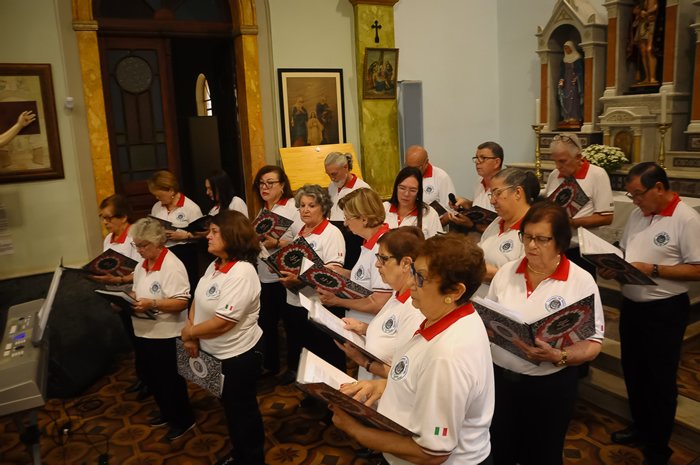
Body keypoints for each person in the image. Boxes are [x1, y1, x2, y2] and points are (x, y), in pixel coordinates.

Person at [333, 233, 494, 465]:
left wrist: (355, 430)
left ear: (454, 291)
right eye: (413, 273)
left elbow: (432, 452)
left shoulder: (446, 356)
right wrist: (384, 385)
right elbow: (419, 377)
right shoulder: (444, 317)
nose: (410, 283)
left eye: (421, 278)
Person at [486, 201, 605, 465]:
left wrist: (559, 356)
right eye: (526, 236)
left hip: (549, 387)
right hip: (501, 382)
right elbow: (490, 320)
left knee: (542, 454)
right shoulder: (506, 272)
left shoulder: (580, 280)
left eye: (541, 239)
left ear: (560, 242)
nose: (531, 245)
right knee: (500, 449)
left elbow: (593, 342)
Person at [601, 163, 700, 465]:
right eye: (631, 196)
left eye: (638, 194)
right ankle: (641, 427)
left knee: (659, 380)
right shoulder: (638, 214)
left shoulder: (686, 219)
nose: (634, 201)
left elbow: (697, 269)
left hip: (664, 310)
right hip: (633, 306)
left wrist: (653, 269)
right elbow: (626, 251)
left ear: (658, 187)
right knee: (634, 371)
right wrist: (613, 265)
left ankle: (658, 446)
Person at [180, 211, 266, 465]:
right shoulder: (215, 264)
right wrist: (191, 334)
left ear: (232, 236)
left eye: (215, 232)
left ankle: (252, 460)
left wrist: (189, 332)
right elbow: (198, 299)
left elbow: (223, 323)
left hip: (237, 357)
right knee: (230, 409)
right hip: (214, 352)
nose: (208, 236)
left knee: (243, 413)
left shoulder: (242, 273)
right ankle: (239, 454)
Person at [130, 217, 195, 442]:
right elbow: (139, 292)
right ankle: (167, 412)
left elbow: (181, 302)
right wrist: (127, 299)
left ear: (158, 242)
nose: (139, 250)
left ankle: (183, 420)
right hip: (144, 331)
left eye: (143, 245)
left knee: (170, 380)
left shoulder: (171, 265)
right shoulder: (141, 265)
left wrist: (153, 303)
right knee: (153, 378)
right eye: (137, 245)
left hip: (167, 333)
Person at [277, 184, 346, 381]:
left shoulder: (331, 233)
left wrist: (298, 279)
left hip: (319, 304)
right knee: (307, 354)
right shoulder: (301, 231)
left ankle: (333, 395)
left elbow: (332, 272)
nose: (305, 210)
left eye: (311, 205)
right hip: (297, 302)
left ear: (323, 208)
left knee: (327, 355)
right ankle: (311, 390)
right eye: (302, 205)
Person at [337, 226, 425, 381]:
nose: (377, 264)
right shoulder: (397, 293)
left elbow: (406, 376)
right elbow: (392, 335)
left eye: (383, 259)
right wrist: (364, 328)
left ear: (405, 264)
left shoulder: (414, 309)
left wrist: (364, 362)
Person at [252, 165, 304, 376]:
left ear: (282, 185)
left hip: (286, 276)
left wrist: (277, 243)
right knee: (266, 323)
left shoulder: (292, 207)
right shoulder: (263, 209)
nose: (264, 187)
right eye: (261, 183)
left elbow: (303, 241)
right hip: (265, 275)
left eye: (270, 183)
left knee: (292, 324)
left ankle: (294, 369)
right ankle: (270, 365)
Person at [318, 188, 392, 324]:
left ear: (364, 219)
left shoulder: (382, 247)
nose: (345, 223)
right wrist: (341, 272)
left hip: (370, 325)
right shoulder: (369, 242)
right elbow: (367, 278)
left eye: (347, 218)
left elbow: (379, 303)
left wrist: (337, 301)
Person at [544, 133, 614, 277]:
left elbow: (606, 217)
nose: (558, 166)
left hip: (580, 251)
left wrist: (571, 222)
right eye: (555, 161)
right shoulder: (554, 175)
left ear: (578, 157)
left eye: (563, 161)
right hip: (555, 248)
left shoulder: (597, 174)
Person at [477, 168, 540, 289]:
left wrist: (493, 273)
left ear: (517, 193)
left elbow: (531, 278)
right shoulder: (497, 222)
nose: (492, 201)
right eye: (491, 194)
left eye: (498, 193)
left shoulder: (535, 229)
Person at [148, 170, 204, 292]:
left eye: (159, 195)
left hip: (185, 253)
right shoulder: (156, 207)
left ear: (171, 190)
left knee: (185, 287)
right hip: (163, 252)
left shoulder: (191, 207)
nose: (157, 198)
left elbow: (203, 234)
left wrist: (185, 235)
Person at [325, 151, 370, 269]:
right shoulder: (332, 186)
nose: (332, 178)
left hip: (353, 240)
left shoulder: (362, 189)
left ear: (345, 167)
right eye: (328, 174)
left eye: (334, 174)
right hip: (335, 238)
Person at [450, 141, 504, 233]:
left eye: (483, 158)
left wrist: (471, 225)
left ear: (496, 162)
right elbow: (482, 208)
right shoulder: (479, 181)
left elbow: (503, 226)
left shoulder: (504, 186)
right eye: (476, 158)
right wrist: (466, 204)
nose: (477, 162)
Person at [90, 194, 140, 285]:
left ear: (123, 217)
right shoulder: (108, 238)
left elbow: (141, 270)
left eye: (108, 218)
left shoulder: (136, 236)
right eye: (103, 218)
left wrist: (119, 279)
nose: (104, 222)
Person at [383, 167, 442, 239]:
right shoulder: (384, 208)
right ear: (396, 188)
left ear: (419, 192)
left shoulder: (429, 214)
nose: (406, 194)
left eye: (412, 190)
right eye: (402, 188)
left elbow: (438, 244)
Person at [404, 145, 456, 225]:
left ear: (426, 162)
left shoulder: (441, 177)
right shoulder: (403, 175)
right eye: (408, 167)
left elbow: (451, 210)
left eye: (415, 168)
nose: (411, 171)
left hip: (434, 226)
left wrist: (433, 225)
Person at [557, 41, 584, 128]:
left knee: (574, 98)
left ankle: (575, 117)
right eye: (565, 48)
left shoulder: (577, 58)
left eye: (567, 48)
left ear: (572, 48)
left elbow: (580, 71)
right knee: (566, 99)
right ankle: (567, 117)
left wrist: (577, 78)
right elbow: (562, 72)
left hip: (574, 83)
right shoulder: (564, 60)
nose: (566, 49)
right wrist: (561, 80)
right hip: (566, 83)